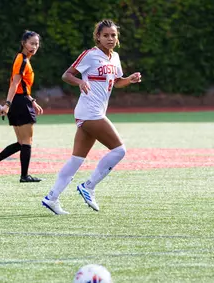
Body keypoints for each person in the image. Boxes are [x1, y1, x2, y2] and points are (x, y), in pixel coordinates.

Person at [42, 19, 141, 215]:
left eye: (113, 35)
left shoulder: (115, 58)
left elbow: (116, 82)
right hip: (89, 112)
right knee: (120, 150)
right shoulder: (90, 55)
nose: (110, 39)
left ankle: (51, 198)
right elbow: (66, 75)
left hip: (95, 112)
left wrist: (128, 80)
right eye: (105, 35)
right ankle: (88, 186)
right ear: (98, 37)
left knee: (76, 160)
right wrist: (79, 81)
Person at [0, 30, 44, 182]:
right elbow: (15, 84)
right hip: (19, 103)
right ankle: (24, 176)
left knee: (21, 143)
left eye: (36, 44)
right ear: (23, 43)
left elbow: (22, 87)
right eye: (31, 43)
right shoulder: (23, 60)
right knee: (27, 142)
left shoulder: (23, 59)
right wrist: (7, 104)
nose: (34, 46)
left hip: (21, 101)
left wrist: (32, 101)